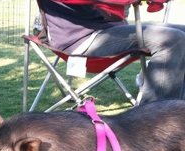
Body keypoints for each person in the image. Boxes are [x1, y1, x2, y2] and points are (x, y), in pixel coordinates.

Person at [37, 0, 185, 104]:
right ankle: (155, 121)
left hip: (107, 30)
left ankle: (176, 105)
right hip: (80, 40)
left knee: (182, 31)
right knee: (172, 40)